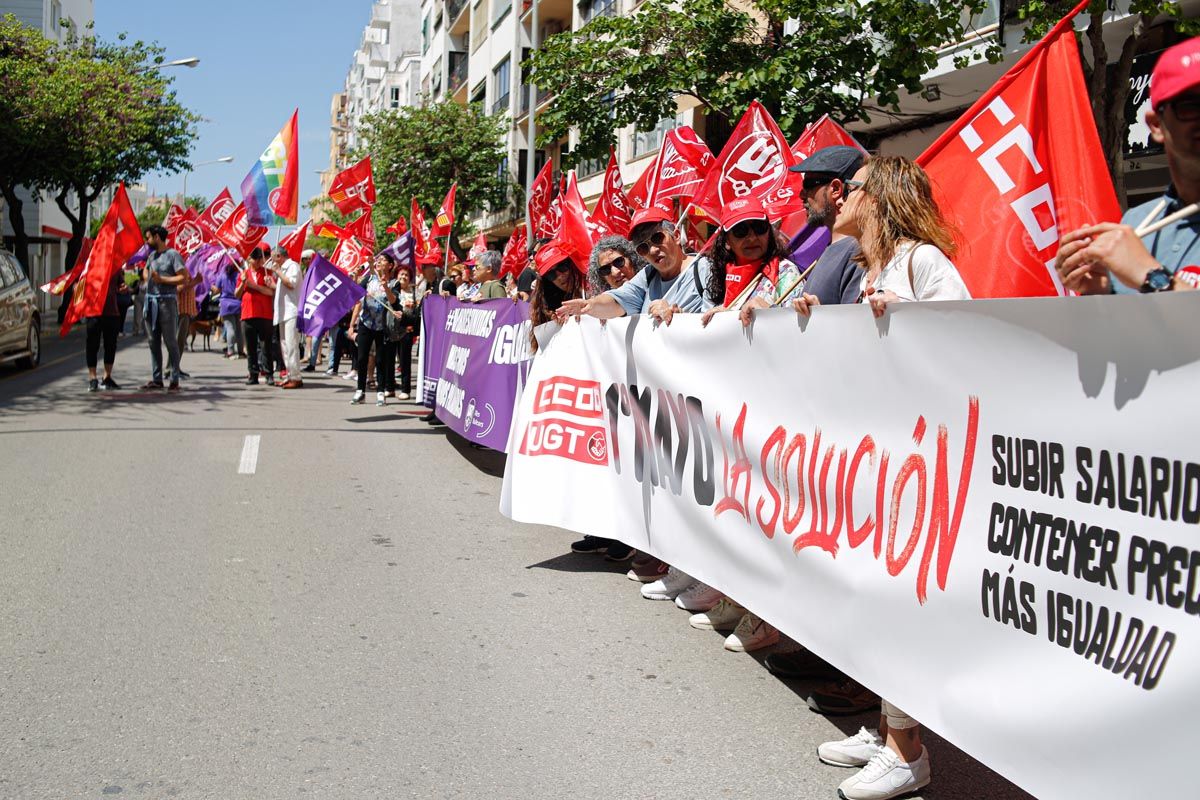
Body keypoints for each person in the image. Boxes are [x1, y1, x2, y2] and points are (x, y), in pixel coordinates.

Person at [809, 154, 968, 800]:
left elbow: (966, 342)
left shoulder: (925, 263)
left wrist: (910, 315)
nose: (841, 196)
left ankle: (909, 753)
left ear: (880, 198)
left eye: (855, 189)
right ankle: (883, 729)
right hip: (869, 456)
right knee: (873, 595)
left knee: (903, 600)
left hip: (915, 461)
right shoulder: (863, 268)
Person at [1056, 36, 1200, 295]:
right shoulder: (1137, 221)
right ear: (1156, 125)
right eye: (1191, 106)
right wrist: (1100, 292)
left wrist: (1151, 275)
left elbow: (1145, 275)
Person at [559, 207, 713, 325]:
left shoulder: (706, 270)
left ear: (677, 236)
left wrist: (680, 318)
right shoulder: (647, 275)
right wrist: (589, 305)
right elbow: (616, 301)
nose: (652, 250)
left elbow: (716, 324)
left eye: (657, 237)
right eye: (643, 248)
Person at [699, 196, 801, 330]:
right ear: (727, 241)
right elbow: (701, 328)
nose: (752, 238)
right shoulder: (718, 275)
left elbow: (798, 328)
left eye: (759, 228)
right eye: (741, 231)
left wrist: (770, 312)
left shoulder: (785, 272)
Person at [788, 145, 869, 306]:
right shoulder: (834, 248)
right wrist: (768, 311)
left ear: (836, 189)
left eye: (809, 184)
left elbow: (853, 323)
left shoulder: (858, 251)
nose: (801, 194)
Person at [140, 225, 187, 392]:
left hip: (167, 303)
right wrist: (148, 277)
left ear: (157, 237)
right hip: (151, 303)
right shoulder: (152, 256)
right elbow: (146, 272)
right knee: (153, 342)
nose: (147, 241)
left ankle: (174, 379)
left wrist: (162, 280)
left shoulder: (173, 255)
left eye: (149, 237)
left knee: (170, 342)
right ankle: (157, 378)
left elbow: (183, 277)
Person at [349, 253, 399, 405]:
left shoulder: (394, 283)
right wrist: (355, 277)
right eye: (378, 260)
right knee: (362, 357)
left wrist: (385, 287)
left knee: (380, 360)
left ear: (390, 265)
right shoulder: (369, 279)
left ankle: (380, 392)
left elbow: (394, 301)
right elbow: (356, 293)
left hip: (382, 326)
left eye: (383, 260)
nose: (379, 262)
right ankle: (360, 391)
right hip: (366, 323)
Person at [527, 241, 584, 354]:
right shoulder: (549, 306)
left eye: (562, 267)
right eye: (552, 274)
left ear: (571, 264)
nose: (560, 276)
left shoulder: (592, 291)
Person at [237, 246, 277, 386]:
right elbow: (237, 294)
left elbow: (270, 292)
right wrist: (243, 283)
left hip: (264, 313)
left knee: (266, 345)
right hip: (247, 314)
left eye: (260, 258)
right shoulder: (244, 274)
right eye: (256, 259)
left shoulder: (267, 273)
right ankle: (252, 374)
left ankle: (269, 374)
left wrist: (254, 286)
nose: (259, 261)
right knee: (251, 346)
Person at [85, 270, 125, 392]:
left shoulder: (115, 266)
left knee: (111, 345)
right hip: (93, 311)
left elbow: (120, 284)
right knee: (92, 345)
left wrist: (123, 287)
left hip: (112, 311)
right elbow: (78, 283)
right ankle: (92, 378)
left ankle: (107, 377)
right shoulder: (90, 264)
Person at [269, 249, 303, 389]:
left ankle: (295, 376)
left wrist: (278, 272)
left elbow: (291, 284)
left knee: (291, 345)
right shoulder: (283, 269)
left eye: (273, 258)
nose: (272, 262)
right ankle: (289, 375)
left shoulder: (292, 266)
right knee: (284, 345)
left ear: (279, 256)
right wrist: (270, 284)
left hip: (291, 312)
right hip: (283, 312)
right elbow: (283, 288)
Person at [390, 267, 418, 399]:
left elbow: (418, 310)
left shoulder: (414, 292)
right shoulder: (392, 291)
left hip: (407, 330)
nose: (404, 277)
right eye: (401, 274)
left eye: (406, 275)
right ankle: (389, 387)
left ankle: (405, 389)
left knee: (404, 361)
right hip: (392, 330)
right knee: (389, 359)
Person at [172, 261, 202, 381]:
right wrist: (195, 281)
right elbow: (179, 288)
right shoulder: (179, 269)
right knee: (177, 341)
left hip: (186, 310)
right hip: (181, 310)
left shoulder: (187, 268)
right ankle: (172, 368)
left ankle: (175, 367)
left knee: (181, 341)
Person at [215, 260, 244, 359]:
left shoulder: (222, 276)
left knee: (230, 328)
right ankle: (241, 351)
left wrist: (210, 285)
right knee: (239, 329)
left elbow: (217, 290)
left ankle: (230, 351)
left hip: (225, 304)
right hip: (238, 303)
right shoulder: (240, 275)